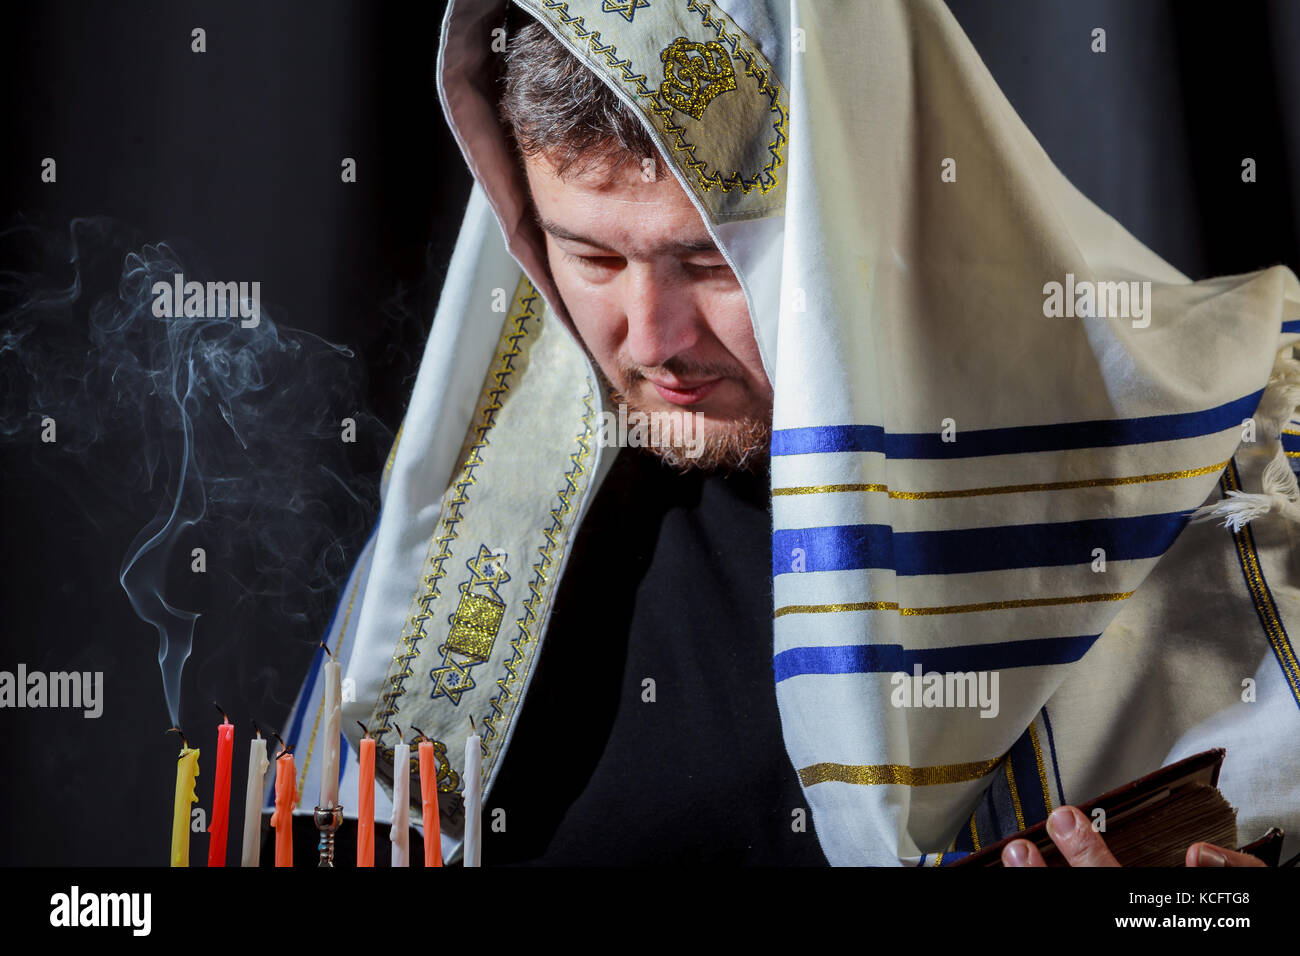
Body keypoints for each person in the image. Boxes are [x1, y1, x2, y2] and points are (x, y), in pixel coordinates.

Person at [271, 0, 1300, 866]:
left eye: (714, 264)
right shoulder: (466, 552)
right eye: (588, 259)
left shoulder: (1226, 476)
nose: (652, 340)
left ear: (863, 213)